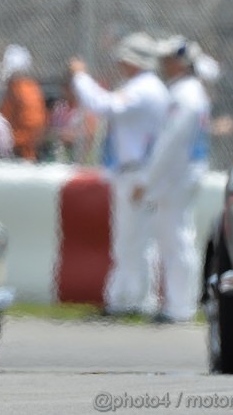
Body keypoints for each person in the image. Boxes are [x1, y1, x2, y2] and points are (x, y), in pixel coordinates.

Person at [68, 32, 170, 317]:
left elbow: (104, 105)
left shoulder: (144, 88)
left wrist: (80, 77)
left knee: (133, 239)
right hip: (135, 171)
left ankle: (132, 300)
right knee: (132, 239)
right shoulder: (147, 87)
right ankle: (127, 299)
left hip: (138, 171)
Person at [140, 36, 216, 323]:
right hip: (180, 176)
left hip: (178, 177)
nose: (163, 65)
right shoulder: (189, 92)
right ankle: (177, 303)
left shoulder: (185, 95)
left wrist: (148, 179)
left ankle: (180, 306)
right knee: (173, 238)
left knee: (177, 239)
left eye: (168, 60)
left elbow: (169, 142)